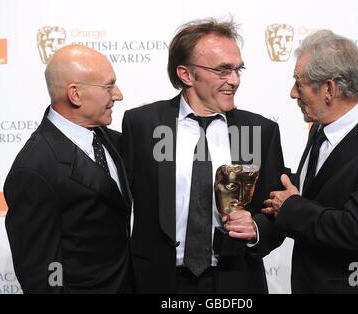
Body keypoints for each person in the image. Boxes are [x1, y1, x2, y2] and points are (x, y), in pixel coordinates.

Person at [122, 18, 285, 293]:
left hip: (236, 281)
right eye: (223, 70)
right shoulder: (142, 125)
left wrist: (256, 229)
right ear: (186, 74)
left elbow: (277, 213)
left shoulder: (260, 131)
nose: (234, 80)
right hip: (159, 282)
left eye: (237, 70)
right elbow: (118, 208)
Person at [262, 30, 358, 293]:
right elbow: (323, 191)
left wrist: (291, 207)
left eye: (299, 83)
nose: (292, 93)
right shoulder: (321, 128)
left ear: (329, 89)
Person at [4, 44, 134, 293]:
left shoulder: (111, 140)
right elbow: (41, 274)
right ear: (75, 94)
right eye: (109, 86)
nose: (118, 94)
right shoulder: (35, 168)